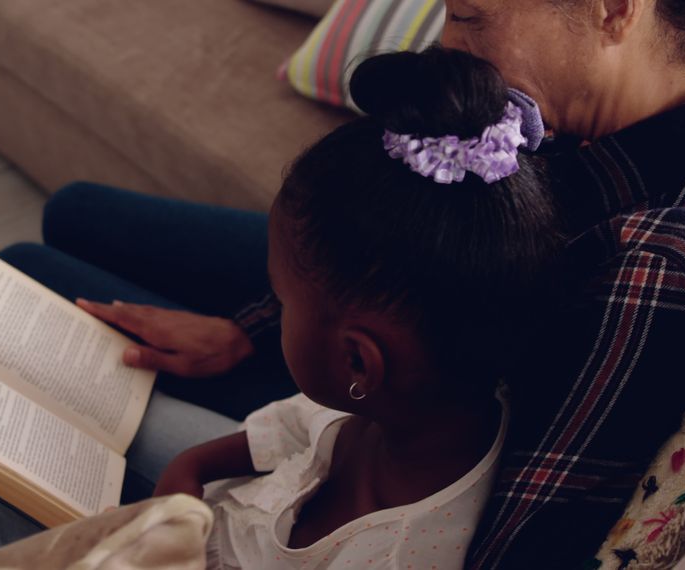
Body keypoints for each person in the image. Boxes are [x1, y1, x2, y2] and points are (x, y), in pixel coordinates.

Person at [0, 0, 685, 566]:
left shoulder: (654, 276)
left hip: (400, 381)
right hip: (385, 333)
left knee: (31, 280)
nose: (452, 41)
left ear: (612, 7)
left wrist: (269, 345)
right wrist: (245, 330)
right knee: (74, 214)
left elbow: (508, 533)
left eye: (471, 15)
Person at [155, 48, 561, 568]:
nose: (274, 313)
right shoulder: (395, 408)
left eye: (282, 302)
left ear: (357, 362)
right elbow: (290, 430)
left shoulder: (397, 555)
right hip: (204, 515)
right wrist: (187, 468)